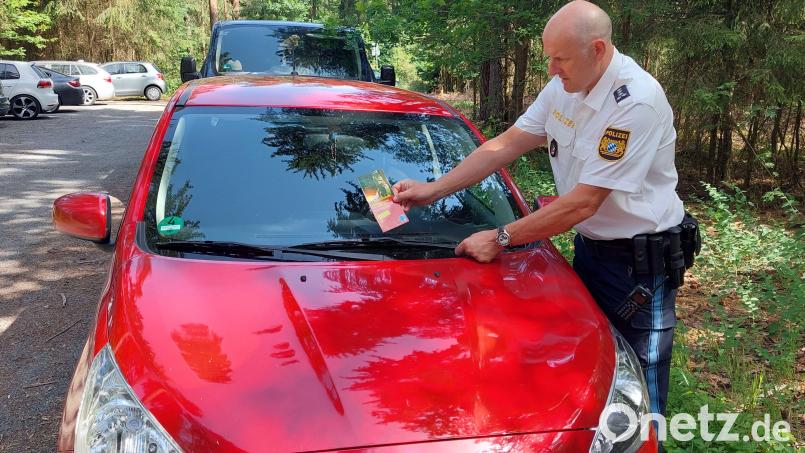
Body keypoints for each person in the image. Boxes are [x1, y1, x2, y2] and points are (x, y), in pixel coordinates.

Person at [392, 0, 685, 422]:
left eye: (560, 58)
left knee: (638, 391)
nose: (551, 69)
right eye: (549, 57)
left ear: (598, 49)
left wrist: (501, 237)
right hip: (591, 248)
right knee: (589, 375)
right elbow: (505, 145)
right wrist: (433, 190)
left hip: (638, 267)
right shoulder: (565, 86)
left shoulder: (634, 102)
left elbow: (585, 201)